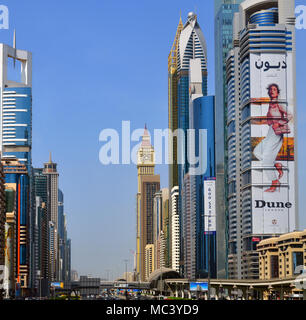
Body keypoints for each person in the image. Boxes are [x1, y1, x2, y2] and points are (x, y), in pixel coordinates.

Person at [253, 83, 293, 192]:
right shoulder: (271, 104)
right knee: (257, 151)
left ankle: (275, 182)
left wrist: (279, 123)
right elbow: (270, 120)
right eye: (270, 89)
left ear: (278, 92)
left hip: (277, 133)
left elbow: (289, 115)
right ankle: (276, 165)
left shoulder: (280, 104)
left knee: (266, 160)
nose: (272, 91)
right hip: (271, 132)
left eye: (274, 89)